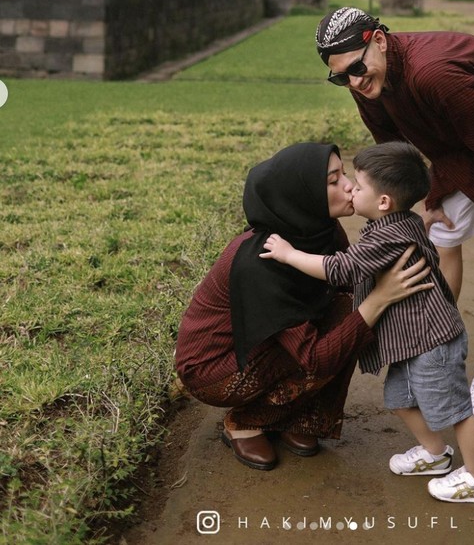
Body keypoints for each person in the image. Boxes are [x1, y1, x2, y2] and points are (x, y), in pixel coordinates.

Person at [315, 7, 474, 428]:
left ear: (378, 39)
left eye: (357, 68)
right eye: (342, 77)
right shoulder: (368, 84)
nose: (355, 82)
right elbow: (395, 151)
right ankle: (435, 353)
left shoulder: (434, 73)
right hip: (459, 142)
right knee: (441, 237)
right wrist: (426, 195)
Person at [175, 142, 432, 472]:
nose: (349, 185)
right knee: (355, 321)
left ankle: (303, 420)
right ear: (303, 192)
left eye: (345, 175)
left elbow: (348, 285)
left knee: (350, 314)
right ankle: (247, 420)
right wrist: (380, 298)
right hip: (214, 369)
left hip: (263, 345)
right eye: (333, 180)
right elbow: (316, 358)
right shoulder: (263, 260)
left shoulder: (321, 231)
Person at [262, 141, 474, 503]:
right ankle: (436, 454)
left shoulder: (388, 235)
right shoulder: (397, 221)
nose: (350, 189)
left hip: (432, 343)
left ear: (384, 201)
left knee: (457, 411)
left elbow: (340, 269)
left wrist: (289, 254)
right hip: (411, 342)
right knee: (401, 399)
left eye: (357, 184)